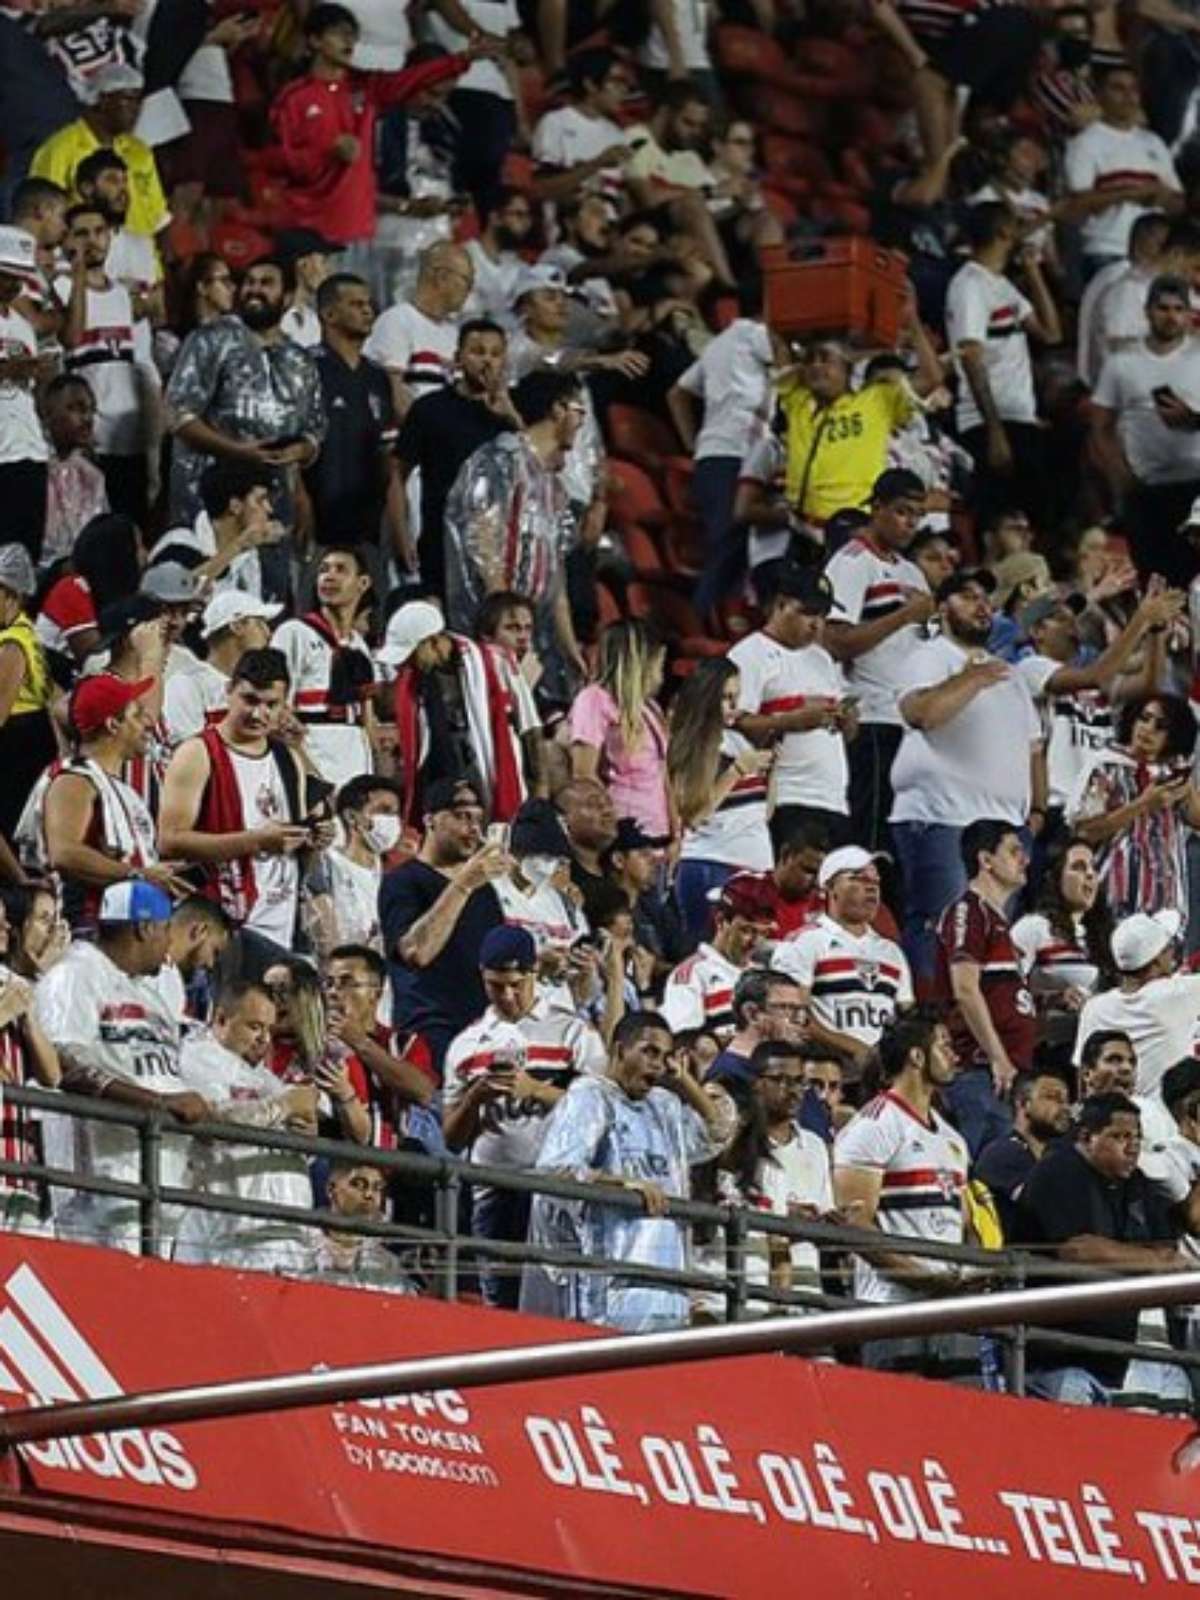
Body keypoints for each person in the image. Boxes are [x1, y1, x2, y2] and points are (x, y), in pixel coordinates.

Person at [522, 1009, 736, 1331]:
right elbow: (556, 1171)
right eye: (649, 1051)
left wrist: (685, 1079)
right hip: (607, 1286)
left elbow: (718, 1131)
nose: (657, 1064)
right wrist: (621, 1183)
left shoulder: (663, 1106)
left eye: (664, 1057)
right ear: (620, 1050)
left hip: (667, 1284)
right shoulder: (590, 1096)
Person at [33, 881, 211, 1253]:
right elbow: (66, 1063)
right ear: (144, 928)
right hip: (101, 1180)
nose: (168, 945)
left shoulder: (150, 996)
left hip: (161, 1174)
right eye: (165, 929)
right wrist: (157, 1104)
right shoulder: (75, 974)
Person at [890, 568, 1043, 984]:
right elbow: (922, 714)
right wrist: (970, 677)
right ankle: (931, 1026)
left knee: (987, 940)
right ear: (941, 609)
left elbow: (1033, 745)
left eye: (985, 598)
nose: (982, 605)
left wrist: (1038, 809)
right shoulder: (930, 655)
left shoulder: (1006, 672)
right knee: (943, 932)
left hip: (1004, 828)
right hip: (943, 820)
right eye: (967, 596)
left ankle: (968, 1034)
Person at [442, 925, 606, 1307]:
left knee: (566, 1305)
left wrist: (535, 1090)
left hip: (560, 1186)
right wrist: (476, 1098)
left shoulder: (572, 1032)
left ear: (534, 973)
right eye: (496, 985)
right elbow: (451, 1138)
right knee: (504, 1307)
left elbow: (601, 1113)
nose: (508, 996)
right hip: (495, 1189)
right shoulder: (466, 1044)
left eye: (516, 984)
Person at [1013, 1092, 1188, 1404]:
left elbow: (1168, 1250)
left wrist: (1154, 1260)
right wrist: (1150, 1260)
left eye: (1137, 1137)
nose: (1132, 1146)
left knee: (1176, 1392)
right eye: (1119, 1136)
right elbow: (1077, 1249)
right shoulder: (1058, 1171)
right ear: (1086, 1137)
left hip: (1122, 1354)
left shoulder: (1137, 1184)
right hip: (1061, 1356)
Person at [833, 1009, 975, 1379]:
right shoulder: (873, 1125)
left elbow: (963, 1224)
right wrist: (921, 1277)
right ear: (916, 1055)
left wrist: (971, 1272)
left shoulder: (953, 1139)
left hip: (949, 1309)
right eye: (944, 1045)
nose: (955, 1056)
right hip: (890, 1308)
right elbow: (855, 1227)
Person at [158, 649, 320, 954]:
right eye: (250, 700)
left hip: (282, 923)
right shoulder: (197, 753)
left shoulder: (287, 757)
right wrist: (255, 841)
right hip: (222, 925)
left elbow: (297, 843)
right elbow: (169, 841)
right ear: (229, 692)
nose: (259, 714)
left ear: (285, 705)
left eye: (271, 704)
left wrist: (313, 838)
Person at [271, 5, 469, 247]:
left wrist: (463, 60)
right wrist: (327, 153)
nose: (349, 41)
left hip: (361, 232)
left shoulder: (369, 93)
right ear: (314, 40)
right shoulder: (295, 98)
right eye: (339, 33)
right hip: (313, 227)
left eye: (353, 35)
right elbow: (276, 162)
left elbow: (408, 79)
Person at [443, 369, 588, 696]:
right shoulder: (500, 462)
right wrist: (504, 625)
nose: (582, 422)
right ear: (559, 409)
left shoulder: (552, 486)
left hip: (527, 631)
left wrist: (569, 649)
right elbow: (484, 542)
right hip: (494, 630)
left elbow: (555, 577)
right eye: (579, 411)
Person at [165, 255, 326, 524]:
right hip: (210, 501)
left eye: (266, 283)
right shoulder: (210, 340)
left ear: (287, 297)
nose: (254, 289)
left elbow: (315, 427)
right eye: (249, 282)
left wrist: (300, 457)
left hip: (276, 504)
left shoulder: (301, 360)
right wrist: (237, 451)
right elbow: (179, 414)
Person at [175, 977, 320, 1271]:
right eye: (254, 1026)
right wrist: (286, 1106)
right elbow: (217, 1120)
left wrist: (306, 1132)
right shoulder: (197, 1057)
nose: (264, 1040)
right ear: (221, 1019)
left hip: (280, 1237)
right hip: (227, 1237)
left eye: (269, 1030)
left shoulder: (264, 1077)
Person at [824, 468, 934, 853]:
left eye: (918, 515)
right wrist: (903, 615)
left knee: (898, 842)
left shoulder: (911, 572)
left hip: (909, 722)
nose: (911, 523)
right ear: (877, 507)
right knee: (868, 838)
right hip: (870, 719)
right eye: (903, 511)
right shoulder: (852, 562)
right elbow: (836, 640)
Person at [1015, 587, 1180, 830]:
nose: (1072, 623)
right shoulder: (1030, 668)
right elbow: (1097, 676)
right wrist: (1141, 619)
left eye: (1073, 617)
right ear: (1038, 631)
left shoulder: (1093, 674)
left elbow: (1150, 684)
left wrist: (1155, 630)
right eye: (1060, 618)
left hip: (1099, 805)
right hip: (1057, 806)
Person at [22, 674, 176, 932]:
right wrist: (137, 874)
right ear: (113, 724)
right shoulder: (74, 779)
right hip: (89, 928)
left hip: (126, 927)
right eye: (137, 715)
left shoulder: (113, 783)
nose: (148, 723)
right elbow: (64, 853)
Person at [944, 202, 1062, 528]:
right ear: (1004, 232)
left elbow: (1051, 334)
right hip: (988, 423)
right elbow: (971, 359)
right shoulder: (969, 285)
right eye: (1016, 225)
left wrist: (1033, 272)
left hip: (1019, 417)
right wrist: (995, 431)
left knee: (1032, 519)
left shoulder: (1002, 285)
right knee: (1002, 522)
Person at [380, 598, 543, 827]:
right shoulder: (416, 680)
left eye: (412, 652)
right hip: (448, 770)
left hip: (499, 765)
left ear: (433, 642)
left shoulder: (495, 663)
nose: (407, 662)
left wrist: (541, 791)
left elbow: (530, 727)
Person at [380, 775, 506, 1067]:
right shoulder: (403, 881)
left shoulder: (483, 888)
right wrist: (463, 884)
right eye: (461, 816)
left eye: (478, 818)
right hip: (430, 1033)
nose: (473, 828)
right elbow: (416, 951)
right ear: (430, 820)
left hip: (482, 1030)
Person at [730, 563, 854, 854]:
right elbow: (736, 725)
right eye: (808, 612)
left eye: (823, 615)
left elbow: (843, 734)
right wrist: (792, 721)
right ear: (780, 604)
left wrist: (847, 721)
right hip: (786, 797)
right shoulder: (749, 654)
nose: (816, 624)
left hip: (833, 799)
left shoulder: (821, 659)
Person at [392, 317, 517, 595]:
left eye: (496, 354)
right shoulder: (430, 409)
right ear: (458, 358)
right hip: (441, 543)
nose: (487, 361)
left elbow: (537, 470)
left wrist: (509, 413)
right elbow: (397, 474)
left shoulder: (514, 414)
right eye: (477, 352)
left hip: (501, 546)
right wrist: (401, 535)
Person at [665, 305, 777, 614]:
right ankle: (705, 620)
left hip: (714, 456)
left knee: (732, 544)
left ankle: (721, 621)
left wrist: (693, 444)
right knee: (730, 544)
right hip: (736, 453)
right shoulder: (756, 335)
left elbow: (677, 393)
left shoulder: (719, 343)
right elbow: (787, 363)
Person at [1091, 274, 1200, 586]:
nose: (1171, 316)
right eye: (1163, 308)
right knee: (1156, 579)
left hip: (1197, 486)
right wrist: (1120, 475)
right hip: (1146, 489)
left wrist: (1193, 419)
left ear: (1189, 314)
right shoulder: (1122, 363)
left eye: (1179, 309)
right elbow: (1100, 426)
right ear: (1148, 311)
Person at [934, 820, 1035, 1158]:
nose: (1025, 859)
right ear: (985, 860)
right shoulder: (968, 911)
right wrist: (997, 1056)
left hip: (1002, 1077)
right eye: (1013, 851)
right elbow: (965, 989)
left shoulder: (999, 922)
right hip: (979, 1074)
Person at [774, 846, 913, 1089]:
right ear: (829, 888)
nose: (871, 887)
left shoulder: (891, 953)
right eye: (858, 878)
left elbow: (908, 1018)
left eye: (875, 882)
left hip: (884, 1080)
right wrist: (855, 1048)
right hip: (826, 1080)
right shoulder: (805, 942)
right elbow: (793, 1016)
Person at [668, 656, 775, 944]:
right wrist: (737, 770)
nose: (733, 706)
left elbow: (764, 813)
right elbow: (695, 814)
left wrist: (772, 769)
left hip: (752, 867)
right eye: (726, 697)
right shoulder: (695, 741)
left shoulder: (739, 742)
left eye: (736, 697)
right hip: (711, 864)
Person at [1068, 692, 1200, 922]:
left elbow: (1196, 819)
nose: (1148, 728)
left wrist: (1188, 789)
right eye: (1144, 718)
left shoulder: (1172, 774)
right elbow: (1085, 831)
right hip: (1114, 893)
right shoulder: (1105, 765)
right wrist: (1143, 804)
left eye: (1160, 726)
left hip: (1166, 901)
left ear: (1174, 736)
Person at [304, 272, 402, 559]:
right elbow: (290, 445)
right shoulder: (305, 367)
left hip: (367, 527)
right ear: (329, 313)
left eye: (369, 303)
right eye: (356, 304)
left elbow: (388, 455)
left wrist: (396, 524)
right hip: (316, 519)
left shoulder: (377, 377)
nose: (368, 310)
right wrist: (298, 497)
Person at [29, 63, 170, 252]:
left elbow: (158, 217)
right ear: (103, 100)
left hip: (140, 258)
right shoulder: (61, 149)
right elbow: (44, 217)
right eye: (129, 100)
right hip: (86, 256)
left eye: (139, 101)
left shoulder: (139, 151)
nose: (137, 109)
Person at [1064, 64, 1183, 279]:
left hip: (1156, 253)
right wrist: (1130, 194)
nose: (1128, 96)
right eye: (1118, 88)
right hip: (1108, 250)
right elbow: (1077, 206)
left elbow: (1178, 201)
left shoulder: (1153, 142)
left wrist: (1163, 196)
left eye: (1133, 89)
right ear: (1099, 95)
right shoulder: (1085, 143)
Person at [272, 545, 376, 784]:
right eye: (323, 570)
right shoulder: (294, 633)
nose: (329, 577)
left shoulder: (359, 644)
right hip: (313, 747)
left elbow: (367, 712)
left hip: (355, 751)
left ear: (362, 583)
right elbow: (277, 704)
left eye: (341, 570)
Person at [1074, 910, 1200, 1097]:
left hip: (1110, 1118)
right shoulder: (1175, 994)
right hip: (1162, 1120)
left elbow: (1082, 1078)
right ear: (1156, 960)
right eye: (1168, 947)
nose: (1173, 952)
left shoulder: (1094, 1008)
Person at [569, 620, 671, 840]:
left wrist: (675, 833)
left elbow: (664, 774)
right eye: (659, 664)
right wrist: (611, 826)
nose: (661, 673)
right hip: (624, 832)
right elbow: (583, 774)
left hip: (658, 833)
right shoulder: (594, 700)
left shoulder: (650, 707)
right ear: (641, 662)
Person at [1011, 838, 1112, 1050]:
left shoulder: (1102, 936)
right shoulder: (1033, 928)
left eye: (1093, 868)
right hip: (1046, 1048)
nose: (1091, 875)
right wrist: (1052, 1000)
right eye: (1078, 867)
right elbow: (1004, 992)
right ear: (1055, 877)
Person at [0, 892, 60, 1232]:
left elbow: (52, 1075)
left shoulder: (13, 984)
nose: (4, 925)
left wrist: (28, 1015)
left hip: (20, 1169)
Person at [365, 239, 475, 419]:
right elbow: (392, 393)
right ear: (442, 277)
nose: (470, 290)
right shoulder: (398, 321)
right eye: (466, 281)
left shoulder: (454, 334)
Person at [661, 872, 777, 1041]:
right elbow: (686, 1044)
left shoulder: (765, 975)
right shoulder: (692, 975)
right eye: (746, 930)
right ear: (721, 920)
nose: (755, 941)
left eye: (763, 932)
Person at [163, 591, 281, 745]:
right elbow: (185, 754)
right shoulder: (187, 685)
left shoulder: (263, 688)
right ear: (237, 626)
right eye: (259, 623)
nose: (268, 633)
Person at [973, 1069, 1073, 1239]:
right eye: (1052, 1098)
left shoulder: (1056, 1156)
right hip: (1013, 1260)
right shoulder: (1003, 1153)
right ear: (1023, 1103)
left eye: (1065, 1101)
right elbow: (1049, 1211)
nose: (1064, 1108)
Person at [0, 545, 55, 846]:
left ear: (13, 595)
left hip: (17, 743)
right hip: (32, 736)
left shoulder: (12, 642)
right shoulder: (27, 632)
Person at [302, 1159, 418, 1293]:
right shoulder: (301, 1242)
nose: (369, 1195)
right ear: (331, 1189)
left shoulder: (387, 1263)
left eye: (377, 1188)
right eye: (359, 1184)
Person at [321, 774, 403, 952]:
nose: (393, 821)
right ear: (351, 816)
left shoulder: (392, 876)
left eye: (396, 813)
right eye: (384, 810)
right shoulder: (328, 866)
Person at [704, 967, 808, 1100]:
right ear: (752, 1013)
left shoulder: (792, 1064)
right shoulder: (726, 1074)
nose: (798, 1019)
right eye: (785, 1008)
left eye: (799, 1009)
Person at [41, 374, 110, 569]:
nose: (87, 419)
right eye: (75, 409)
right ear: (47, 415)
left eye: (90, 410)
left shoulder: (92, 476)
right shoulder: (32, 472)